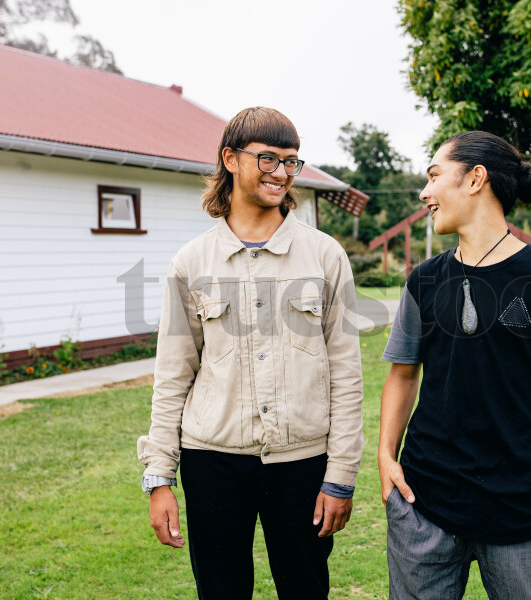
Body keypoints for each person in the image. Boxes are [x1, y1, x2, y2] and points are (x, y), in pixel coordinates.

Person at [137, 107, 364, 600]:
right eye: (267, 159)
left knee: (306, 590)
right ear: (230, 160)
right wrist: (159, 477)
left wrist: (341, 476)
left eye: (291, 161)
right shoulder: (191, 262)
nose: (281, 173)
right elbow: (172, 376)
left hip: (303, 464)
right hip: (212, 463)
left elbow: (347, 376)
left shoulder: (326, 257)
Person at [378, 131, 531, 599]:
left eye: (435, 176)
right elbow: (401, 374)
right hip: (424, 507)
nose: (425, 193)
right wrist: (384, 456)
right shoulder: (424, 280)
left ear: (476, 179)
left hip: (520, 511)